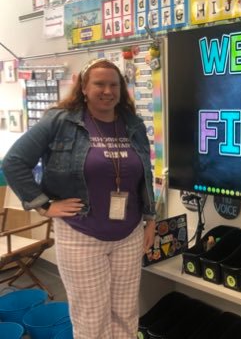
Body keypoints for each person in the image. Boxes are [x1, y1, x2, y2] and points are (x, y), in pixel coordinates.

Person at [3, 58, 156, 339]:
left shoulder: (132, 125)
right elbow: (13, 162)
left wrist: (150, 219)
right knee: (92, 320)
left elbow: (144, 173)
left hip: (129, 235)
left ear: (121, 90)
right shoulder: (60, 122)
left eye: (114, 84)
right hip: (82, 234)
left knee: (125, 315)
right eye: (99, 84)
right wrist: (45, 205)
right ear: (84, 87)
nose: (107, 90)